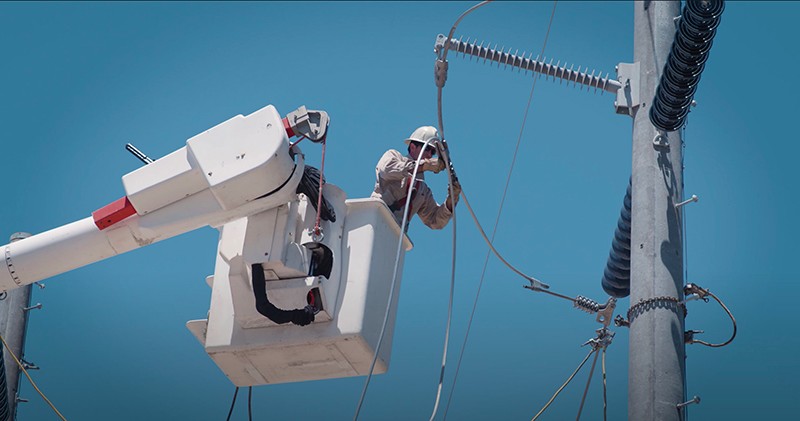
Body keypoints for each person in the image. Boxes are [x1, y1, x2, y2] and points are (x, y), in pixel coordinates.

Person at [371, 126, 461, 231]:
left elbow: (435, 220)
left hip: (395, 236)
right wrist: (425, 165)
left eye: (432, 152)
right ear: (413, 147)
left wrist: (452, 199)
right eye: (427, 149)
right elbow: (386, 170)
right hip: (374, 220)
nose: (429, 155)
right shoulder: (393, 156)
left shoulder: (422, 190)